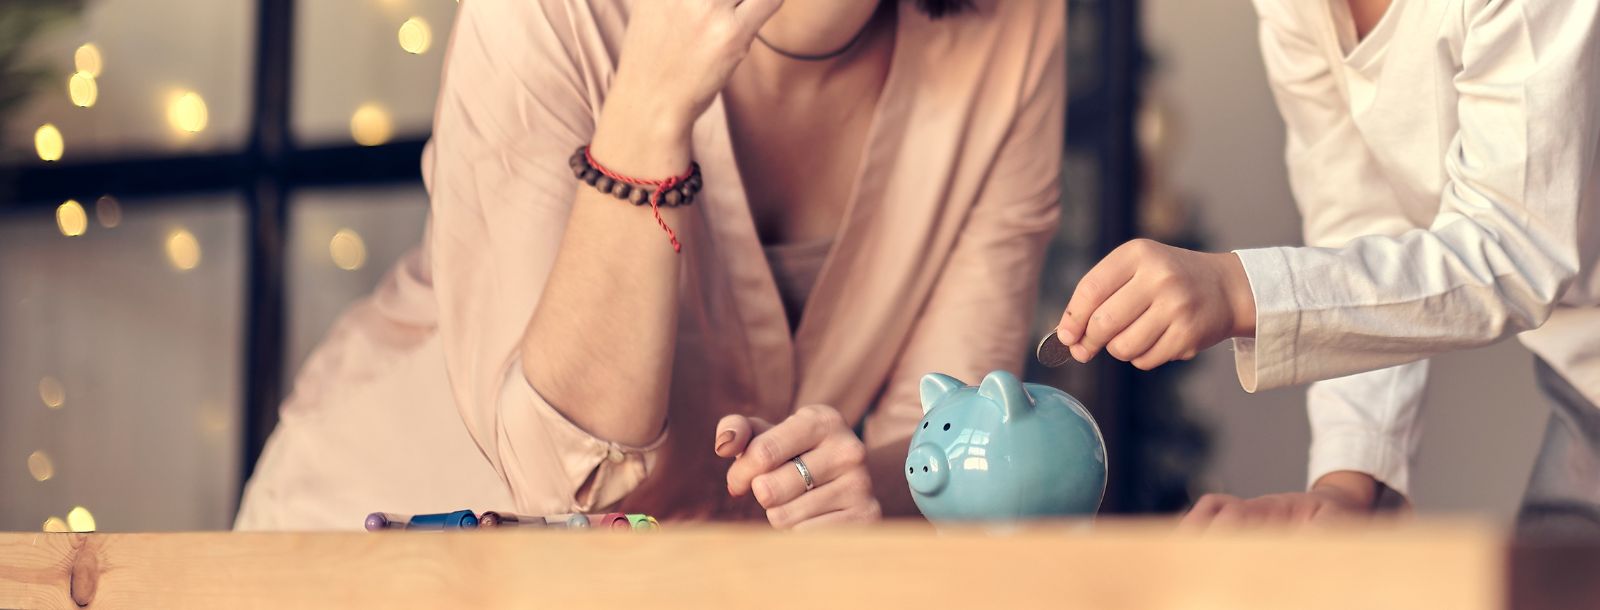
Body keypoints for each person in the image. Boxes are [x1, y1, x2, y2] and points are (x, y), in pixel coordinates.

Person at [235, 0, 1066, 530]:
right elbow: (561, 478)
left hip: (707, 584)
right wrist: (648, 113)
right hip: (386, 541)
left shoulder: (1012, 26)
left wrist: (858, 490)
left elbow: (957, 450)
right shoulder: (545, 12)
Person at [1053, 0, 1600, 529]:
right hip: (1580, 380)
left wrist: (1241, 291)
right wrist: (1345, 486)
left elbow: (1517, 247)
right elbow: (1363, 230)